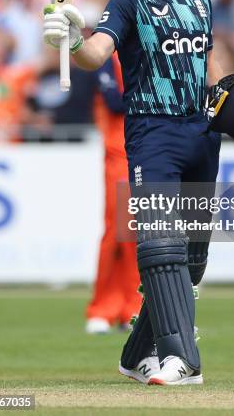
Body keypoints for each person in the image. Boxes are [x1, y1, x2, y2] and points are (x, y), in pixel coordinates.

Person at [43, 0, 224, 386]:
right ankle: (181, 359)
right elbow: (97, 52)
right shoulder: (129, 0)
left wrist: (233, 102)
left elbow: (210, 66)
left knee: (192, 260)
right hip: (153, 133)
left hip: (202, 134)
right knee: (160, 246)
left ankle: (134, 357)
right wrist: (72, 39)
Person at [86, 54, 142, 333]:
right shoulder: (108, 55)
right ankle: (103, 308)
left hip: (145, 145)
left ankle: (131, 307)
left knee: (134, 230)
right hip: (119, 150)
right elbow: (113, 101)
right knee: (116, 230)